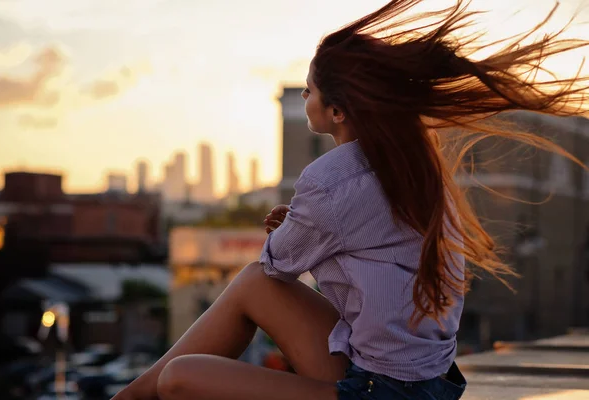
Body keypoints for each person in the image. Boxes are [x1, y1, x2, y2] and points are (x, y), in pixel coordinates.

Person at [113, 0, 588, 399]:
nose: (303, 95)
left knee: (180, 379)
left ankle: (128, 397)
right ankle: (127, 397)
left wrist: (298, 227)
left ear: (337, 110)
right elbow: (355, 241)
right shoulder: (412, 162)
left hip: (385, 391)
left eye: (309, 89)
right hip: (431, 383)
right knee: (251, 284)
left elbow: (278, 264)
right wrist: (303, 226)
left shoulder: (331, 179)